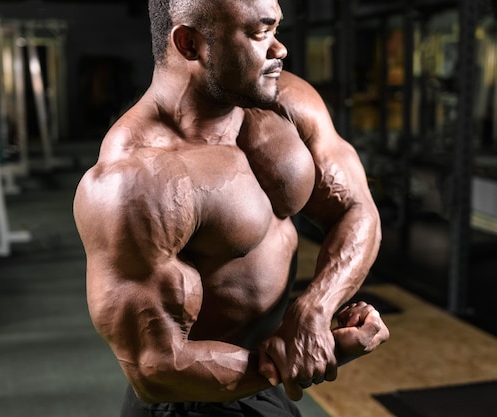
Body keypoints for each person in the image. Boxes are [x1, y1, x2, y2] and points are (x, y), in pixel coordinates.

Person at [73, 0, 389, 415]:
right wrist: (320, 353)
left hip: (268, 379)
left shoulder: (286, 101)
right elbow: (154, 368)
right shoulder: (136, 180)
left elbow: (356, 209)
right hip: (193, 400)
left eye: (276, 29)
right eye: (260, 33)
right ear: (190, 44)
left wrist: (314, 309)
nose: (280, 50)